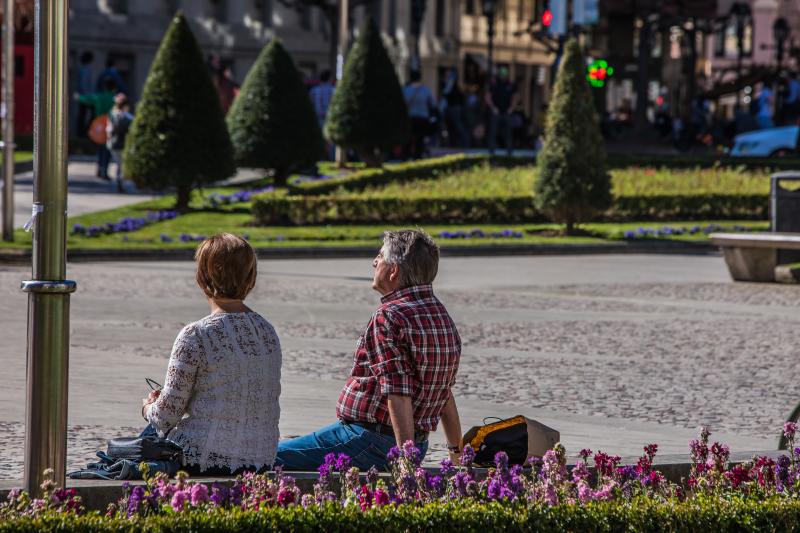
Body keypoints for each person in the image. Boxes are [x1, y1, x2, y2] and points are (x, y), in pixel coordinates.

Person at [275, 229, 463, 471]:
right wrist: (456, 451)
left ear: (394, 271)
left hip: (372, 440)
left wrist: (405, 462)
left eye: (380, 256)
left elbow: (398, 393)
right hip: (417, 442)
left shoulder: (390, 317)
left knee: (268, 458)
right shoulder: (439, 314)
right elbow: (443, 387)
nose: (374, 262)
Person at [141, 234, 282, 475]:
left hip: (204, 460)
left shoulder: (195, 334)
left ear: (202, 277)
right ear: (251, 278)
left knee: (143, 440)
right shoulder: (266, 331)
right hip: (261, 459)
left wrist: (148, 406)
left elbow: (165, 417)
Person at [77, 78, 117, 179]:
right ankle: (104, 170)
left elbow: (87, 99)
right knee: (108, 148)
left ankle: (99, 168)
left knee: (100, 147)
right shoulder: (114, 98)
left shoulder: (99, 97)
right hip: (110, 124)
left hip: (98, 125)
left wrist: (78, 97)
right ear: (113, 88)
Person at [485, 67, 518, 156]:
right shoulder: (493, 84)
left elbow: (514, 97)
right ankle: (491, 152)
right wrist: (493, 108)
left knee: (508, 133)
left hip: (507, 112)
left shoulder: (511, 84)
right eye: (501, 74)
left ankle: (509, 152)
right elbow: (488, 97)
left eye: (504, 74)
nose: (503, 76)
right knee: (493, 132)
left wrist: (511, 108)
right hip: (496, 112)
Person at [403, 71, 436, 159]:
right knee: (420, 138)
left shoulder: (406, 90)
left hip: (410, 117)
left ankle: (406, 156)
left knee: (408, 138)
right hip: (422, 117)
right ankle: (417, 156)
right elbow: (433, 104)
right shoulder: (425, 90)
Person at [106, 93, 133, 192]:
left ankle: (119, 181)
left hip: (113, 144)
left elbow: (109, 130)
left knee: (118, 164)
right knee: (122, 164)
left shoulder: (112, 115)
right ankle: (121, 182)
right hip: (125, 144)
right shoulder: (129, 118)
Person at [309, 70, 336, 160]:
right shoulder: (334, 90)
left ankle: (320, 157)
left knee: (320, 138)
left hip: (318, 118)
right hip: (330, 118)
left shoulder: (314, 90)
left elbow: (310, 104)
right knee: (331, 139)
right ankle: (331, 157)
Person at [441, 68, 469, 148]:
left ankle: (464, 144)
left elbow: (446, 93)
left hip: (454, 108)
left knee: (458, 126)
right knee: (452, 127)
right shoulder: (449, 83)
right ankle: (454, 144)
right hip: (452, 107)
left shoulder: (451, 83)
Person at [76, 51, 95, 138]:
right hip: (85, 97)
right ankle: (83, 132)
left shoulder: (82, 68)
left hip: (82, 96)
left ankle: (82, 132)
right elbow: (84, 84)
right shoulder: (85, 69)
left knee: (82, 113)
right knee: (87, 113)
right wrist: (88, 96)